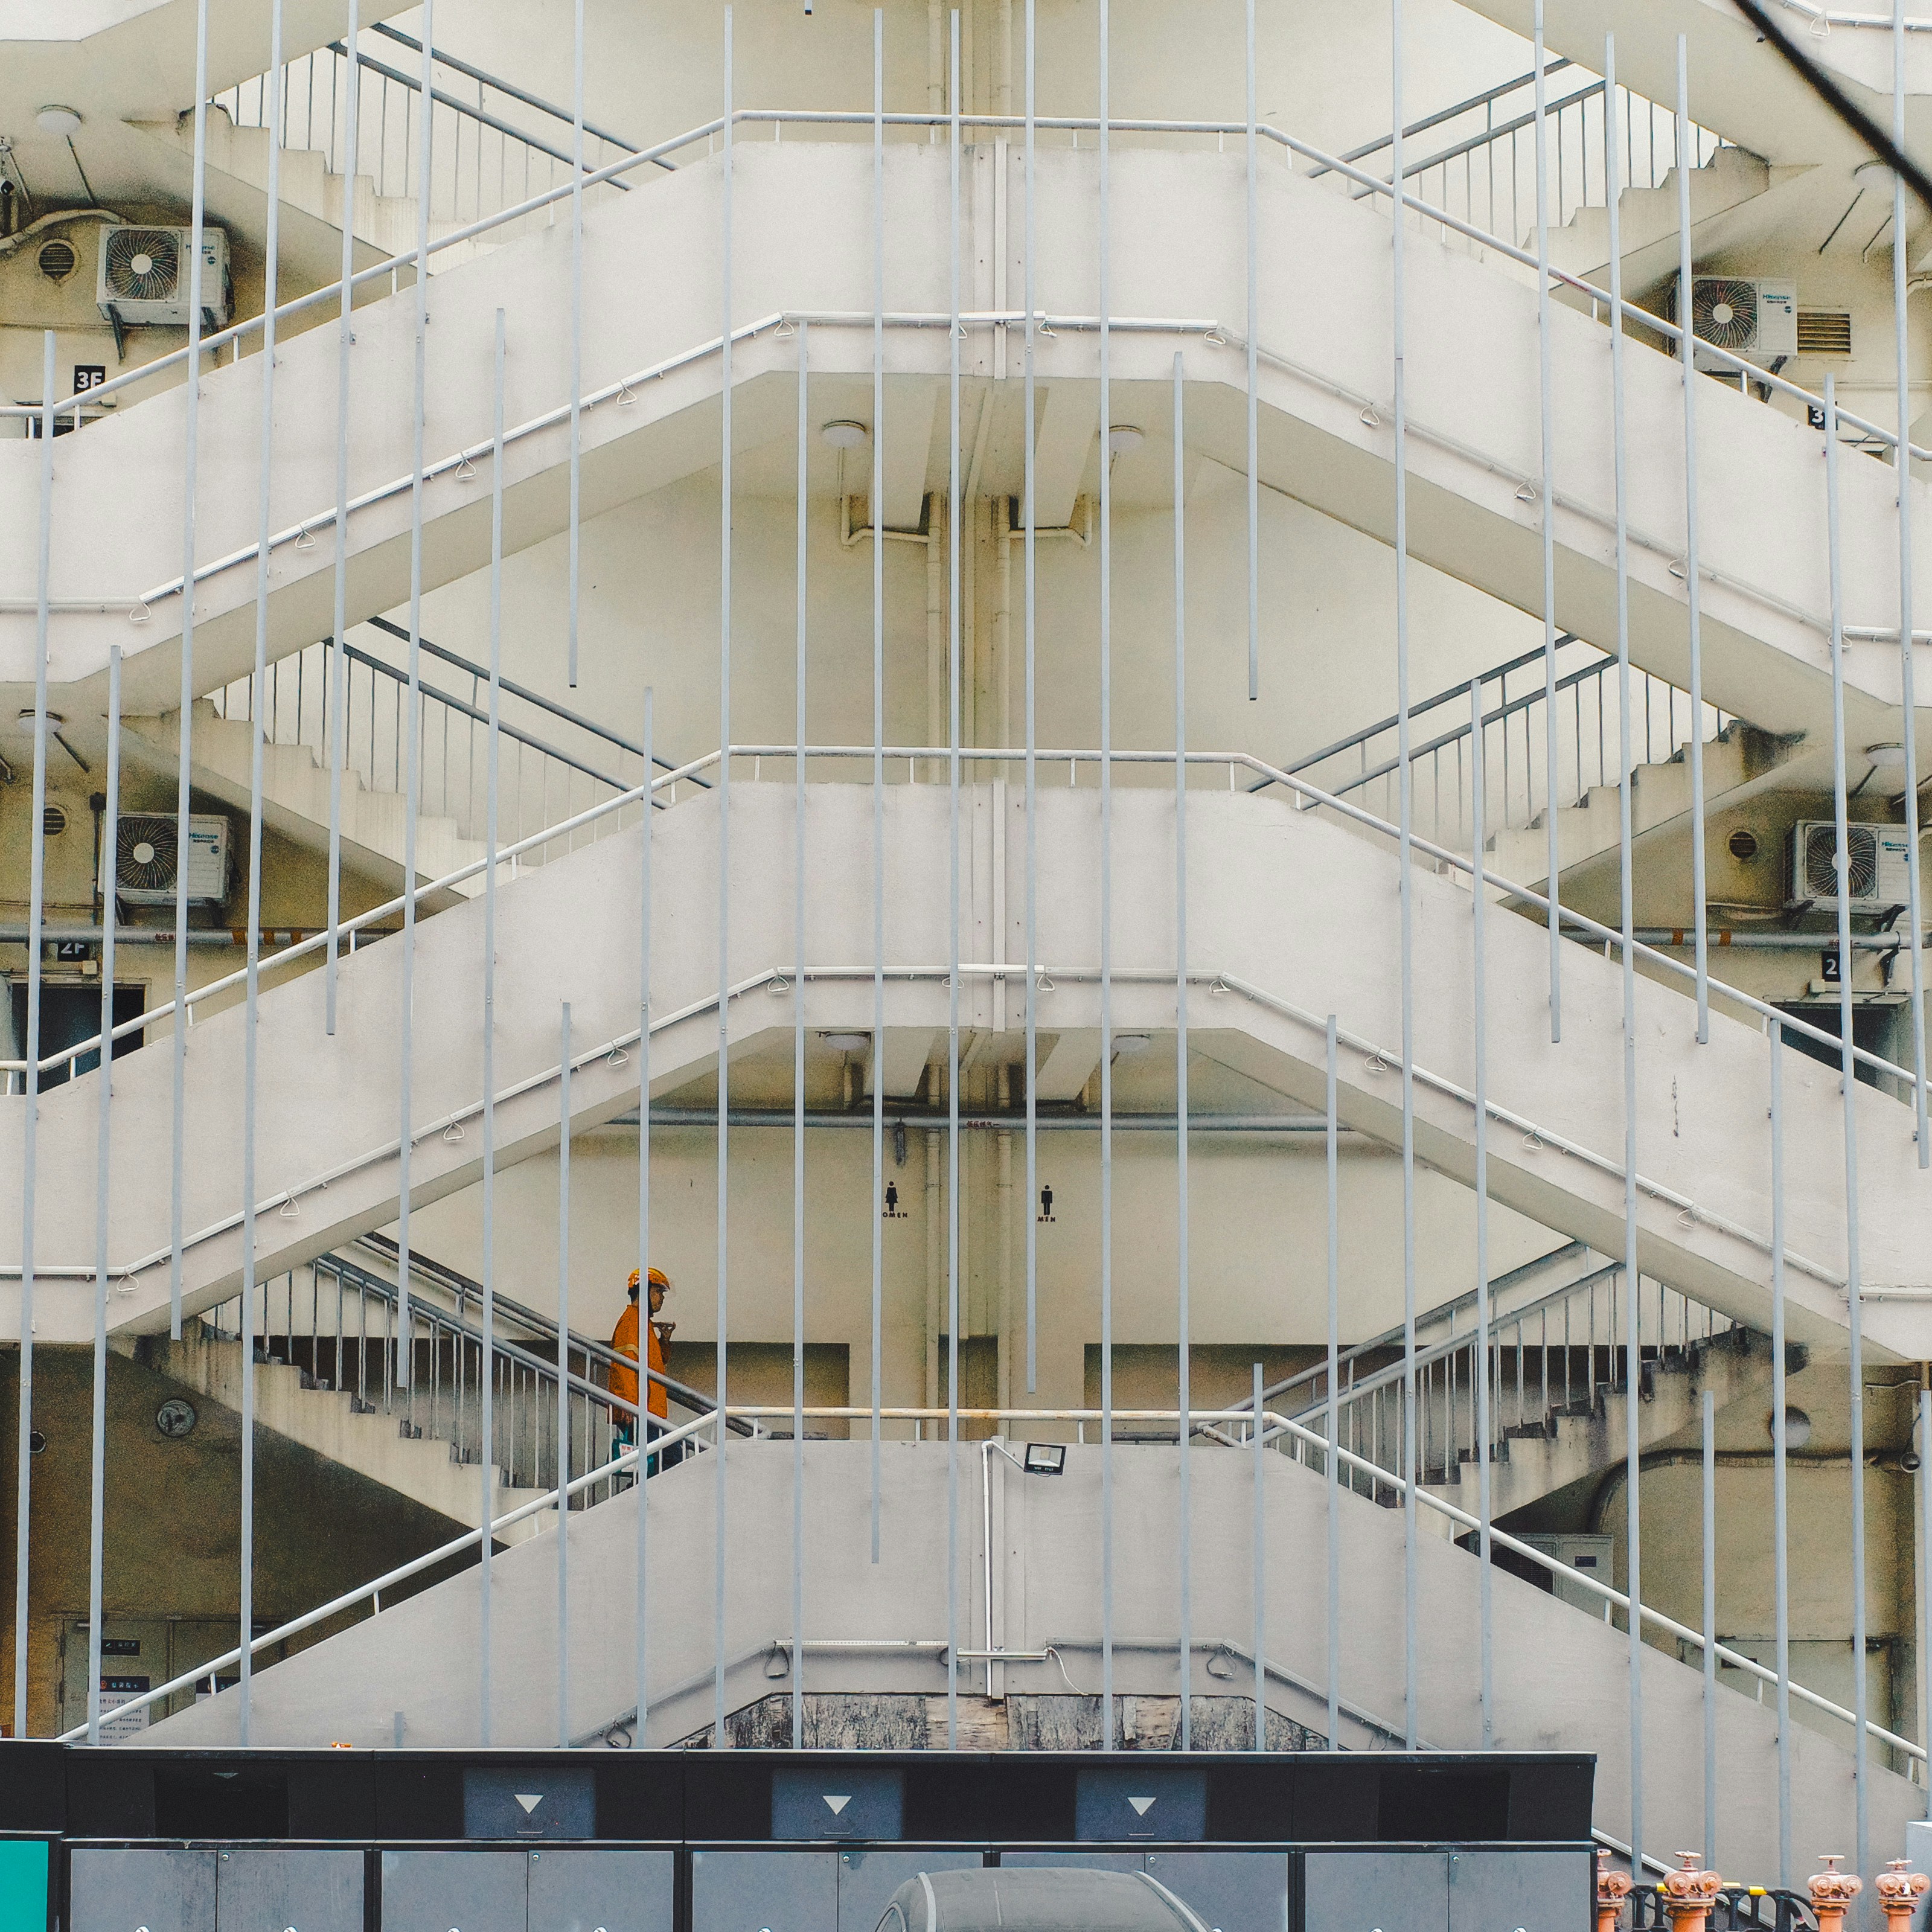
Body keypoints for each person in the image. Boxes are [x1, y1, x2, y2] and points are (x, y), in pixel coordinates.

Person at [610, 1267, 679, 1473]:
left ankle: (638, 1490)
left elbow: (656, 1363)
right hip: (639, 1409)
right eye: (658, 1292)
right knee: (671, 1457)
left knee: (653, 1463)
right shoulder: (631, 1322)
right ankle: (640, 1492)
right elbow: (625, 1366)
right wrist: (630, 1406)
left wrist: (664, 1341)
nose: (662, 1298)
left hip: (646, 1409)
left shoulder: (642, 1322)